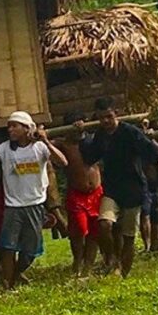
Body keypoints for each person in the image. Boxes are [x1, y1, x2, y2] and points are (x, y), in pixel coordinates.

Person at [0, 111, 67, 289]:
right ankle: (7, 283)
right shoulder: (4, 149)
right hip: (12, 207)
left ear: (27, 128)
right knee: (8, 247)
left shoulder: (40, 148)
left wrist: (46, 141)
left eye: (14, 126)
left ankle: (18, 273)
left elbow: (62, 162)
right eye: (9, 126)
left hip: (35, 205)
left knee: (31, 251)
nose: (10, 129)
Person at [78, 98, 158, 278]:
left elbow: (148, 147)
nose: (106, 121)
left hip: (133, 190)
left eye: (109, 116)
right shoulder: (100, 135)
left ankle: (124, 272)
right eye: (102, 118)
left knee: (128, 236)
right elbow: (90, 156)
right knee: (104, 225)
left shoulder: (130, 132)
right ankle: (112, 259)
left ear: (116, 113)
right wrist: (82, 136)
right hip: (112, 190)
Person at [51, 113, 102, 277]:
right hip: (77, 194)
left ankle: (88, 266)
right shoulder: (63, 145)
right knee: (79, 231)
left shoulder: (93, 141)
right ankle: (77, 262)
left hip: (96, 193)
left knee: (95, 231)